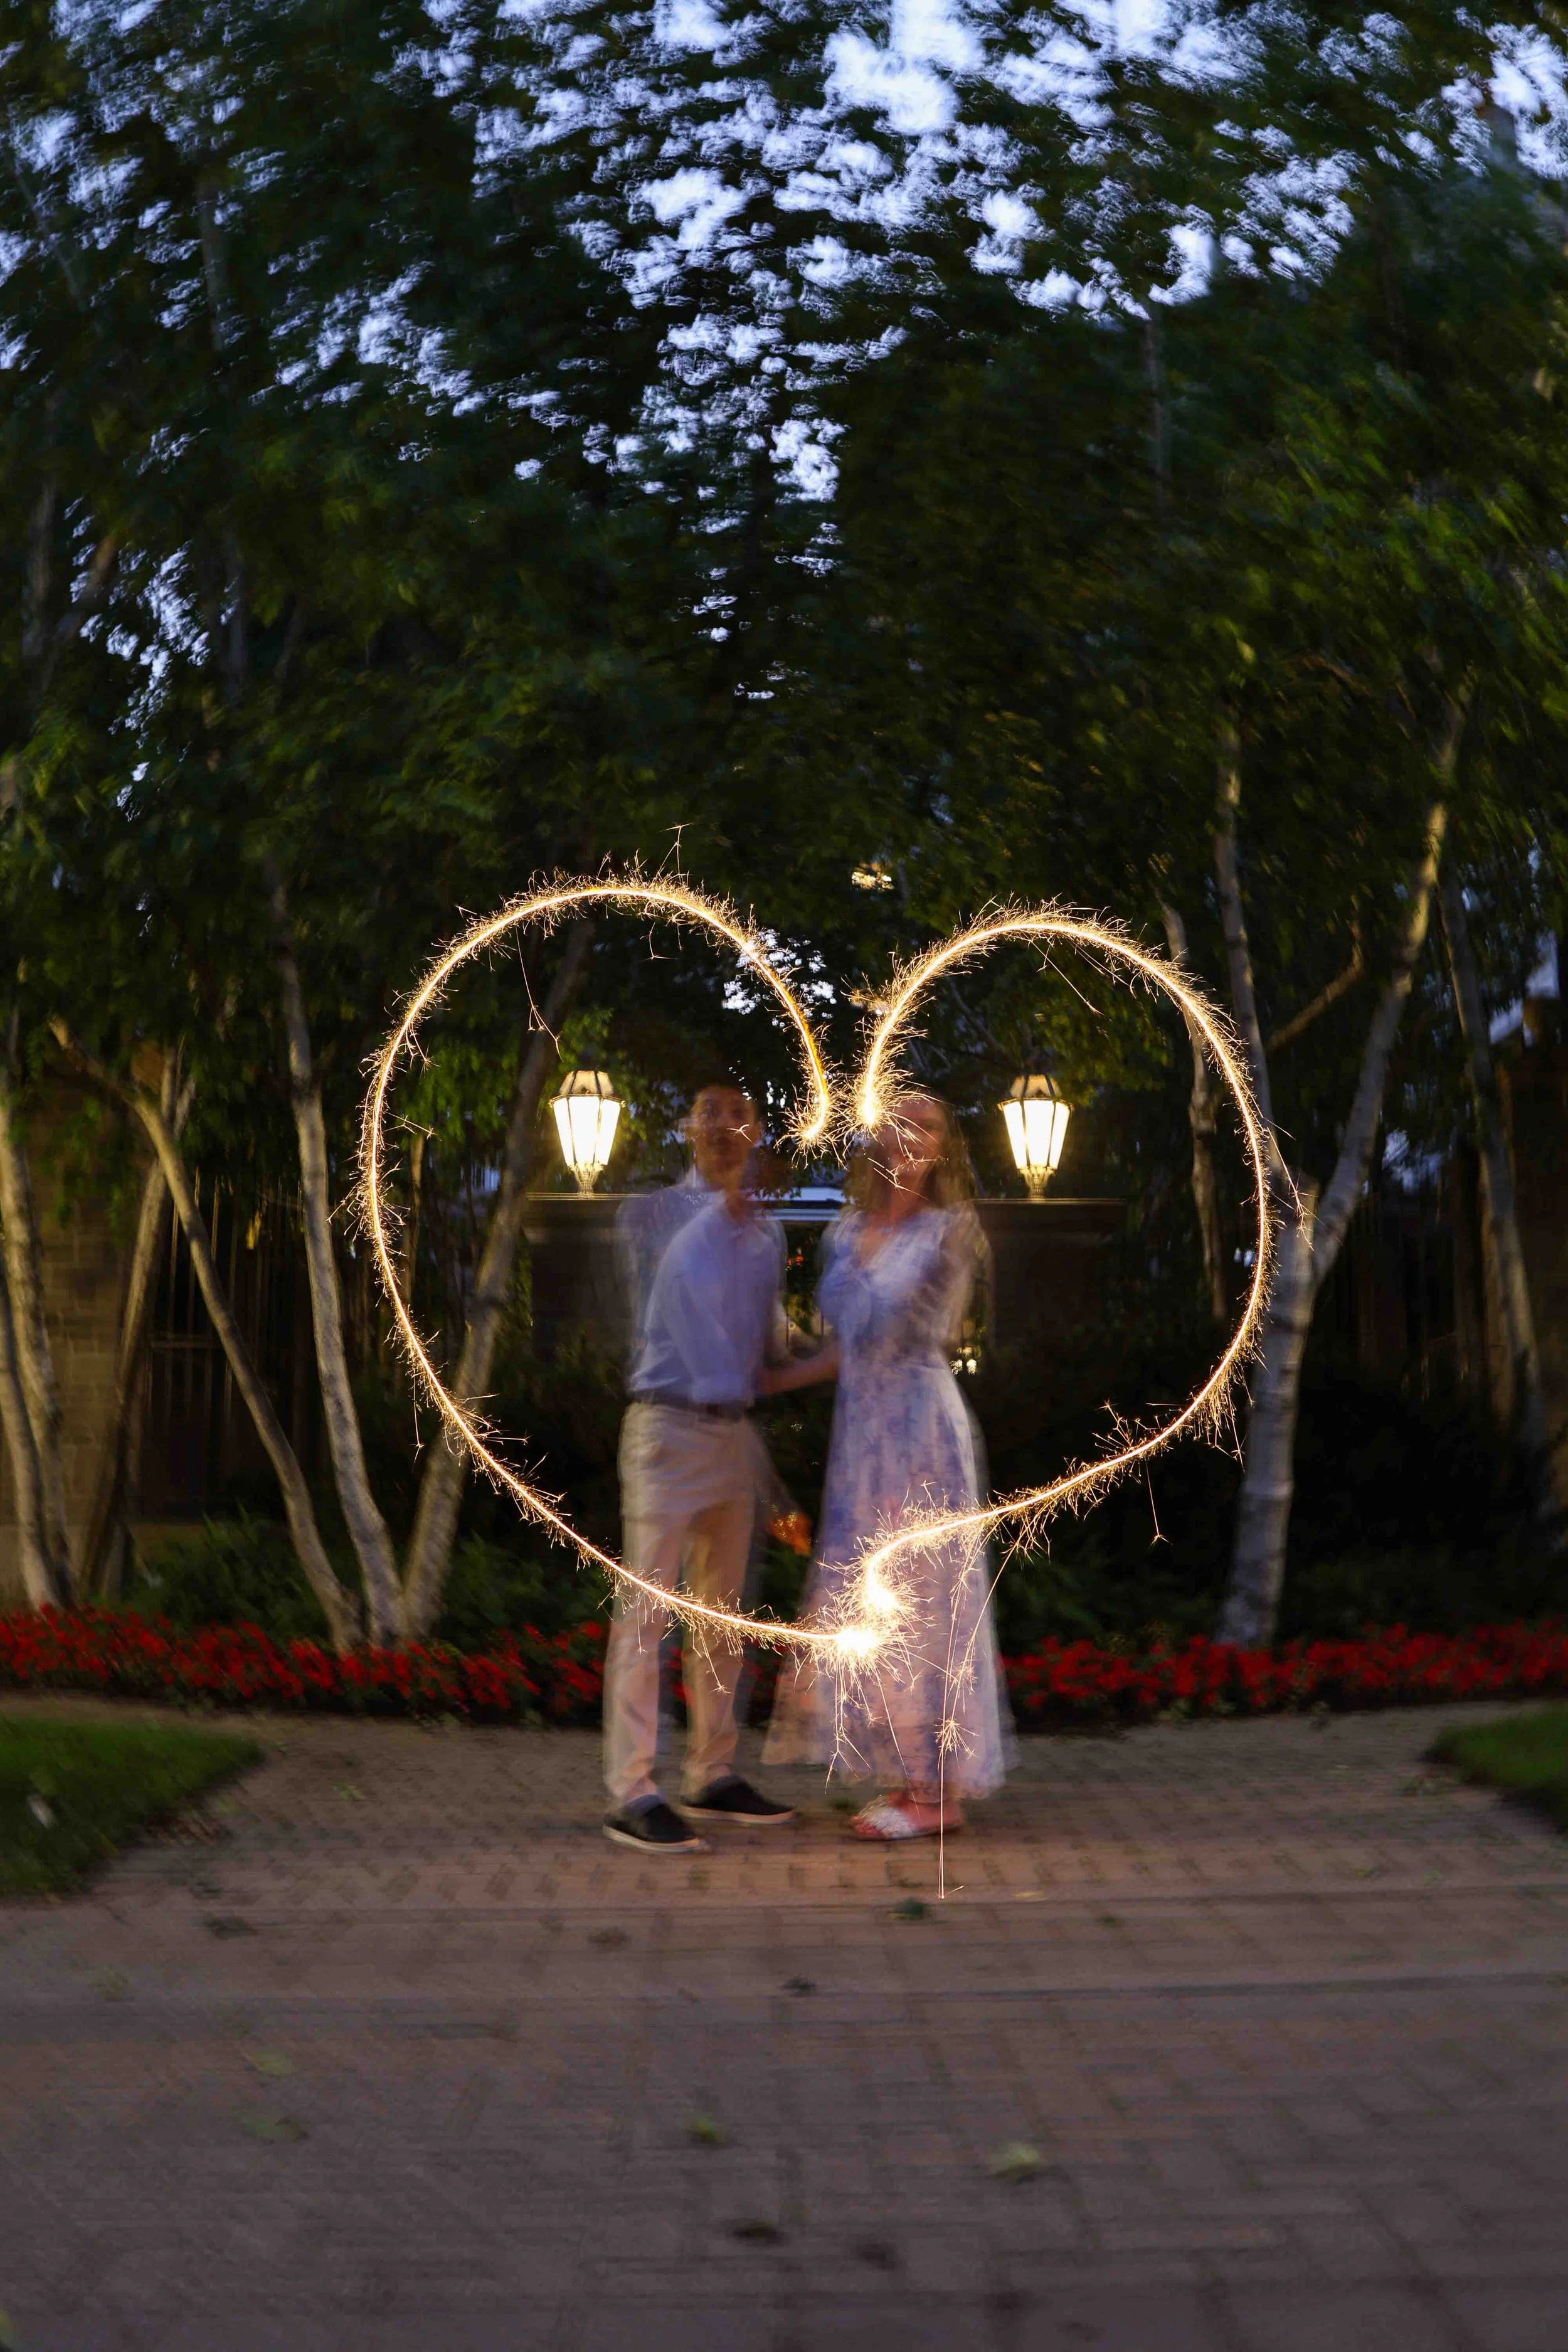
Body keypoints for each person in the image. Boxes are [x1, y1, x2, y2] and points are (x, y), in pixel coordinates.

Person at [763, 1092, 1012, 1839]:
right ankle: (910, 1781)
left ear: (943, 1145)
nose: (911, 1134)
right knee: (866, 1600)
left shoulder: (949, 1233)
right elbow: (844, 1350)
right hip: (861, 1437)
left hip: (920, 1433)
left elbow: (897, 1327)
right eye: (898, 1121)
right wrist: (768, 1378)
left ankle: (939, 1795)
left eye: (929, 1124)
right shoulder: (843, 1231)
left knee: (922, 1599)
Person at [602, 1083, 798, 1853]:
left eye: (740, 1115)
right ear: (687, 1129)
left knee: (723, 1614)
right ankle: (631, 1790)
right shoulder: (652, 1215)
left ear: (758, 1133)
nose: (725, 1126)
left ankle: (712, 1773)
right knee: (645, 1616)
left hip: (729, 1436)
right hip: (667, 1429)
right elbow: (665, 1301)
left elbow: (760, 1346)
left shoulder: (768, 1236)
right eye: (710, 1112)